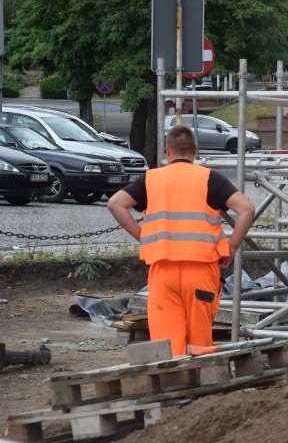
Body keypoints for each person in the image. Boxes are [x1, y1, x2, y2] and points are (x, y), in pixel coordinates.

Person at [107, 126, 255, 356]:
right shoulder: (210, 179)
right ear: (195, 150)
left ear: (167, 151)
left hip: (163, 272)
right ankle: (201, 387)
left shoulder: (152, 179)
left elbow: (115, 203)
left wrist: (142, 236)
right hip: (201, 271)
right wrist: (232, 247)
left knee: (167, 347)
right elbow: (246, 209)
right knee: (200, 345)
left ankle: (175, 389)